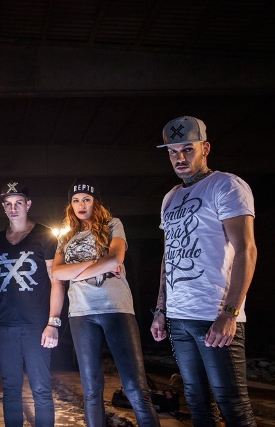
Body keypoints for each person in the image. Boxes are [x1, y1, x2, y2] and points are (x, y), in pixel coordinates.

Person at [150, 116, 257, 426]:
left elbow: (246, 250)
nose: (180, 158)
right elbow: (169, 255)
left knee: (233, 406)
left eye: (188, 149)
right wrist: (161, 310)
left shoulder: (226, 185)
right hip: (179, 318)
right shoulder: (171, 197)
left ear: (205, 148)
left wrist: (230, 313)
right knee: (196, 402)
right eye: (173, 152)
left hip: (214, 313)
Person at [51, 178, 159, 427]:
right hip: (80, 313)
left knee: (135, 388)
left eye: (86, 199)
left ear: (95, 203)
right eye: (76, 200)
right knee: (91, 389)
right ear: (70, 205)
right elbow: (56, 273)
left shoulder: (113, 224)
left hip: (116, 308)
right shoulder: (66, 236)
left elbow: (115, 258)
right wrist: (97, 264)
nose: (81, 205)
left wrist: (75, 272)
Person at [0, 182, 63, 427]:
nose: (13, 208)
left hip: (37, 326)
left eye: (18, 202)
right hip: (4, 325)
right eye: (8, 204)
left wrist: (53, 322)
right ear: (3, 207)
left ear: (28, 204)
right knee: (10, 388)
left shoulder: (45, 236)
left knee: (41, 388)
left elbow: (57, 281)